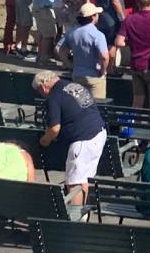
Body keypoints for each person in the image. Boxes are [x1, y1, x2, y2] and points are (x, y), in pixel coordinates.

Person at [33, 70, 106, 204]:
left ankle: (76, 217)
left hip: (83, 140)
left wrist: (45, 140)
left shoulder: (54, 97)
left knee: (74, 183)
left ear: (43, 87)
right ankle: (83, 215)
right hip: (98, 132)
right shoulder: (74, 86)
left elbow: (54, 128)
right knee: (83, 178)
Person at [58, 3, 111, 98]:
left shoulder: (72, 32)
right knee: (97, 107)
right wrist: (103, 71)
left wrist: (70, 65)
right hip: (94, 76)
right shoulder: (98, 35)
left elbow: (61, 51)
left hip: (77, 74)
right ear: (93, 17)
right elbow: (104, 56)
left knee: (80, 107)